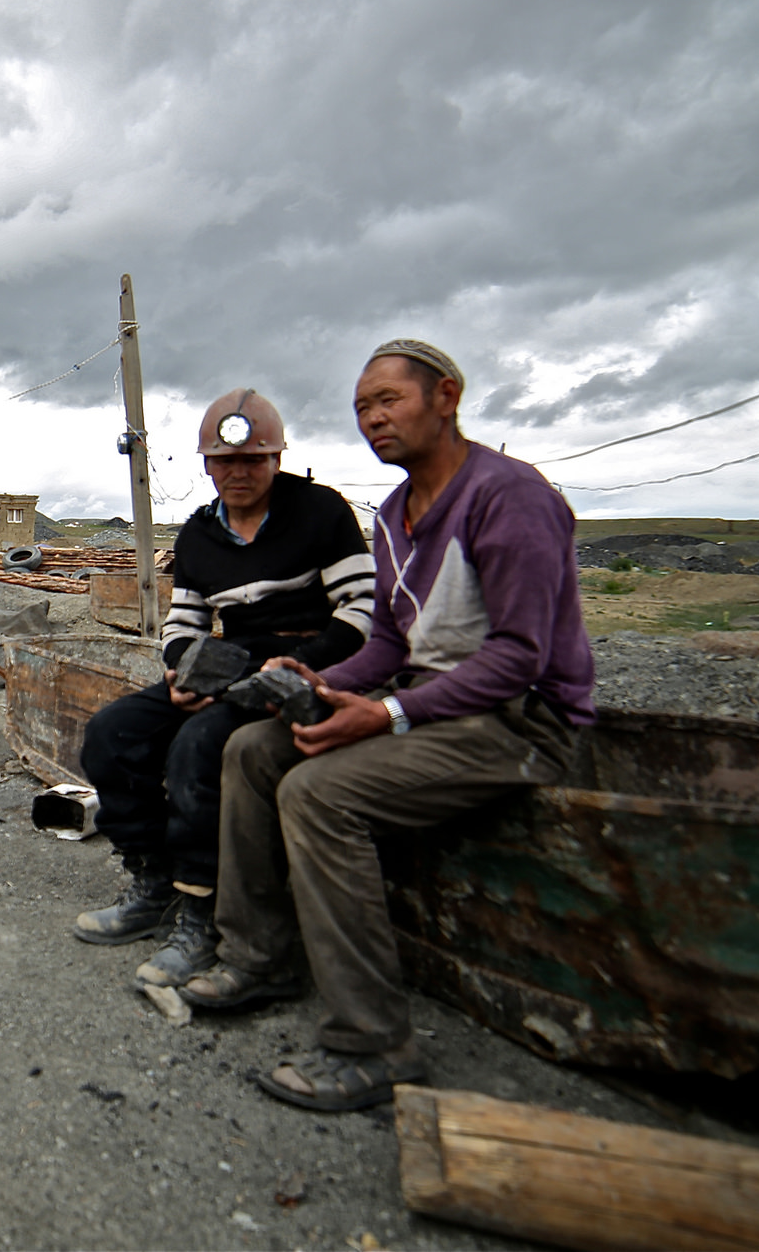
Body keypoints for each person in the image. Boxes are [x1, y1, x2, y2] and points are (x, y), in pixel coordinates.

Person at [180, 339, 595, 1112]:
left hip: (517, 721)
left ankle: (374, 1043)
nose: (373, 418)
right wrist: (319, 681)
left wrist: (388, 711)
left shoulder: (510, 497)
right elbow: (392, 646)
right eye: (362, 407)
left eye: (388, 401)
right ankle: (259, 954)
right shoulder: (398, 514)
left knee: (319, 794)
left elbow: (521, 656)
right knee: (252, 748)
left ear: (446, 397)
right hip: (431, 700)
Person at [74, 388, 375, 991]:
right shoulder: (196, 537)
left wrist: (301, 665)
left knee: (199, 747)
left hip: (311, 663)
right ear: (207, 465)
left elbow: (362, 609)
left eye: (253, 460)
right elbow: (183, 625)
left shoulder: (321, 513)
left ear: (276, 460)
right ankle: (152, 880)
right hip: (229, 660)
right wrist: (188, 672)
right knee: (112, 735)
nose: (239, 473)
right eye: (225, 461)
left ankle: (203, 913)